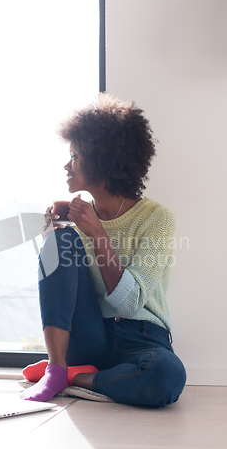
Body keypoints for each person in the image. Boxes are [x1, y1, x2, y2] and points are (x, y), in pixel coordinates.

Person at [20, 93, 186, 408]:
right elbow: (61, 291)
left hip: (142, 339)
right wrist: (51, 235)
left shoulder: (157, 219)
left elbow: (129, 303)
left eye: (75, 156)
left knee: (167, 376)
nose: (66, 166)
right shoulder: (76, 219)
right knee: (60, 241)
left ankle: (72, 377)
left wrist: (96, 232)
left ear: (103, 160)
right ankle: (57, 367)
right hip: (89, 335)